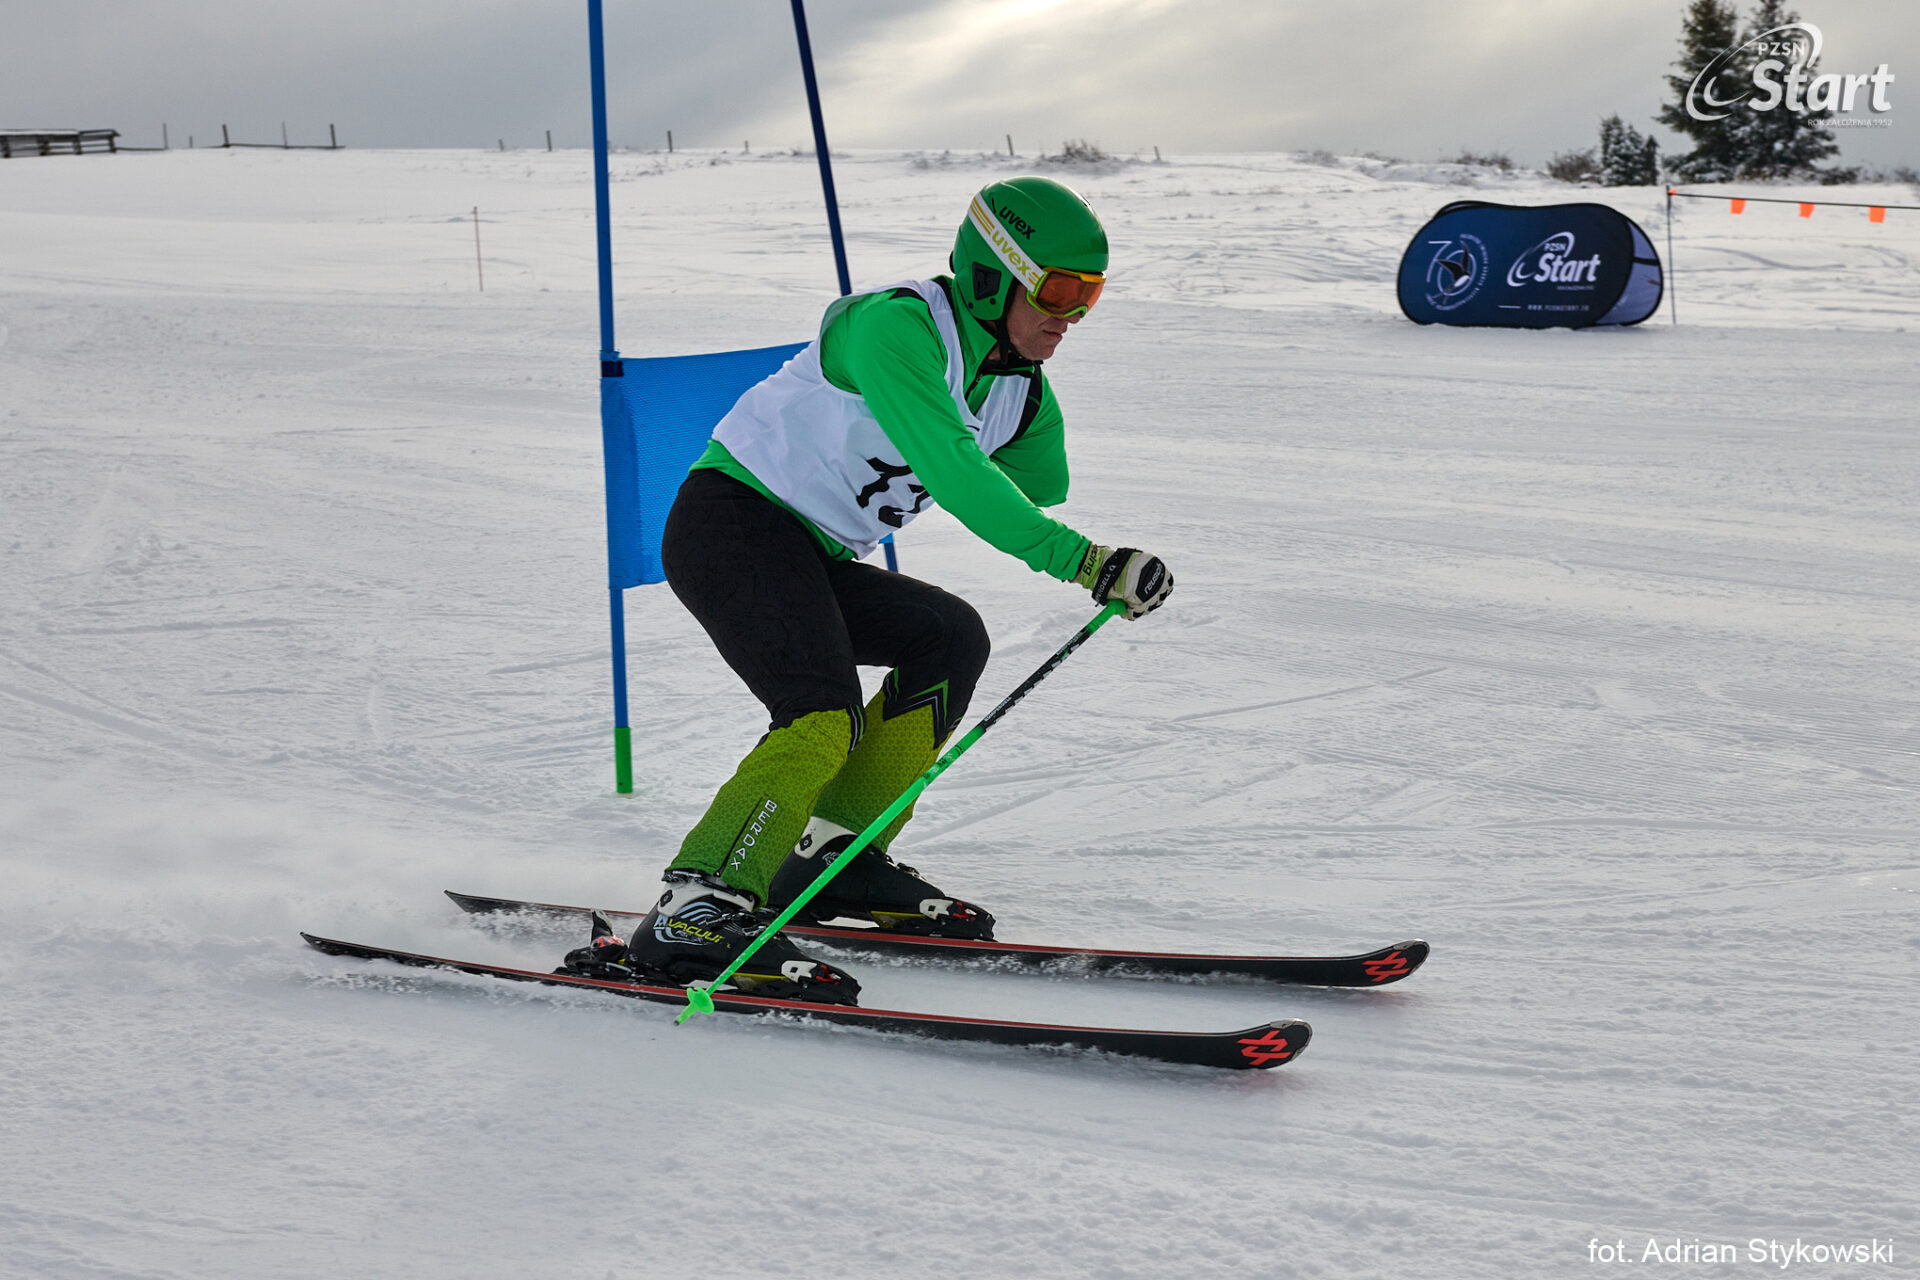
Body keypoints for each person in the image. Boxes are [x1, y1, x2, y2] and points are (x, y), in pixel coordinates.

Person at [585, 176, 1172, 1004]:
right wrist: (1086, 562)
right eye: (1061, 290)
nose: (1072, 315)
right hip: (731, 523)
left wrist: (1010, 392)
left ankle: (833, 854)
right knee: (819, 714)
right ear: (991, 275)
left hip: (813, 552)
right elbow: (960, 475)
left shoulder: (1020, 392)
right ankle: (697, 904)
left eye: (1092, 296)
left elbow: (1039, 477)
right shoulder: (893, 327)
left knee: (949, 636)